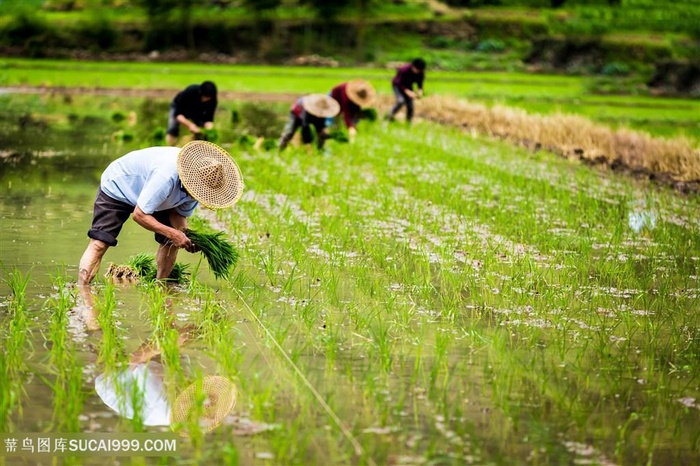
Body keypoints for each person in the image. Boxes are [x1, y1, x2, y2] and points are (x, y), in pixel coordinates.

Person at [77, 141, 244, 289]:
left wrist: (186, 236)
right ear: (189, 180)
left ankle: (161, 287)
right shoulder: (167, 176)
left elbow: (178, 216)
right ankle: (82, 291)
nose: (198, 196)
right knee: (100, 242)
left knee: (171, 242)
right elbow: (140, 214)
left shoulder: (198, 190)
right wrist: (173, 233)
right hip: (119, 186)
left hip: (156, 196)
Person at [166, 81, 218, 146]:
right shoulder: (190, 92)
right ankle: (169, 146)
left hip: (197, 110)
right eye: (205, 97)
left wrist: (208, 130)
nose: (207, 100)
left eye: (209, 98)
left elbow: (209, 119)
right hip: (181, 107)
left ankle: (196, 150)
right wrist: (190, 125)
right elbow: (178, 115)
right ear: (201, 93)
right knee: (173, 128)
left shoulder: (212, 100)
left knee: (201, 134)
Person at [388, 58, 426, 123]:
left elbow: (420, 83)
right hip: (397, 85)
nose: (418, 72)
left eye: (420, 70)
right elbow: (399, 83)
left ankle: (408, 122)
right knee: (400, 101)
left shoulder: (421, 72)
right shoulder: (404, 70)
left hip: (408, 86)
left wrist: (420, 90)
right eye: (417, 70)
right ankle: (390, 115)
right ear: (413, 67)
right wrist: (407, 91)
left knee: (410, 106)